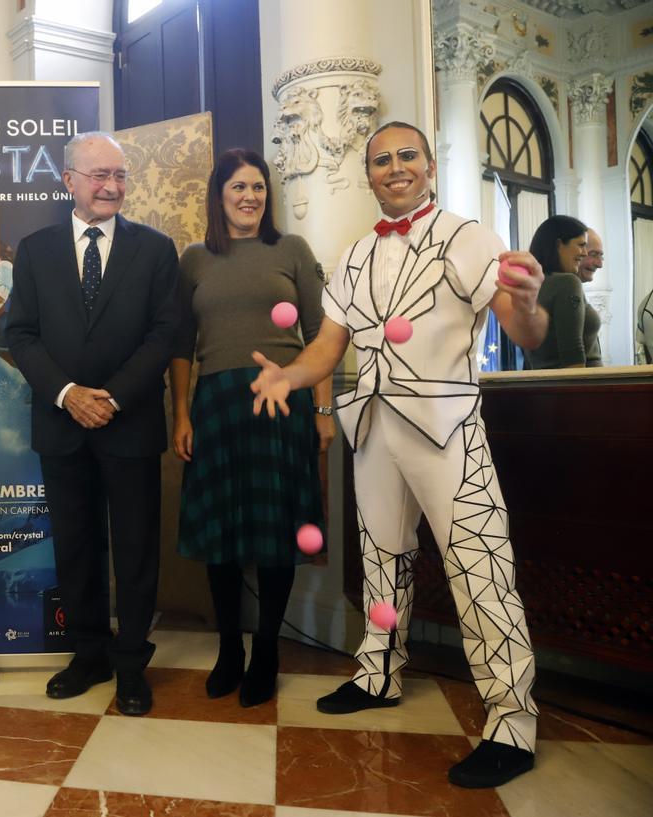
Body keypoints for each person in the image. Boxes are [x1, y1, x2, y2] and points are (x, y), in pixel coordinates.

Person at [250, 122, 547, 788]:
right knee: (383, 558)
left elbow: (520, 325)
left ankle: (511, 722)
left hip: (449, 426)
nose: (394, 168)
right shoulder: (354, 254)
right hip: (375, 425)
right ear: (369, 174)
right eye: (381, 160)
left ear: (431, 165)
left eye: (406, 155)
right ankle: (378, 671)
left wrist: (528, 302)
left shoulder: (467, 236)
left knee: (480, 567)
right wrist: (288, 377)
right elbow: (329, 347)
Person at [6, 131, 180, 717]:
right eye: (99, 175)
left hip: (128, 424)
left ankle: (131, 662)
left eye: (120, 176)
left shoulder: (156, 250)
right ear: (69, 180)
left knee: (134, 549)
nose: (112, 186)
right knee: (76, 546)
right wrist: (67, 393)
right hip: (61, 424)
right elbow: (19, 334)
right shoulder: (34, 249)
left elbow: (166, 334)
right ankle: (88, 654)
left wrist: (113, 397)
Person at [171, 148, 334, 708]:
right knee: (220, 534)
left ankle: (266, 649)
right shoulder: (194, 258)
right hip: (217, 404)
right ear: (219, 196)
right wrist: (182, 414)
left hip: (283, 403)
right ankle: (228, 650)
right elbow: (179, 348)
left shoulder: (291, 250)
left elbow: (321, 334)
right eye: (238, 187)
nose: (250, 197)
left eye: (258, 187)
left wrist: (322, 409)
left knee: (275, 533)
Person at [525, 216, 599, 368]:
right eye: (581, 245)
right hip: (580, 387)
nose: (585, 253)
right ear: (559, 245)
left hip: (545, 385)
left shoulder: (530, 285)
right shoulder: (567, 283)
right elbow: (573, 356)